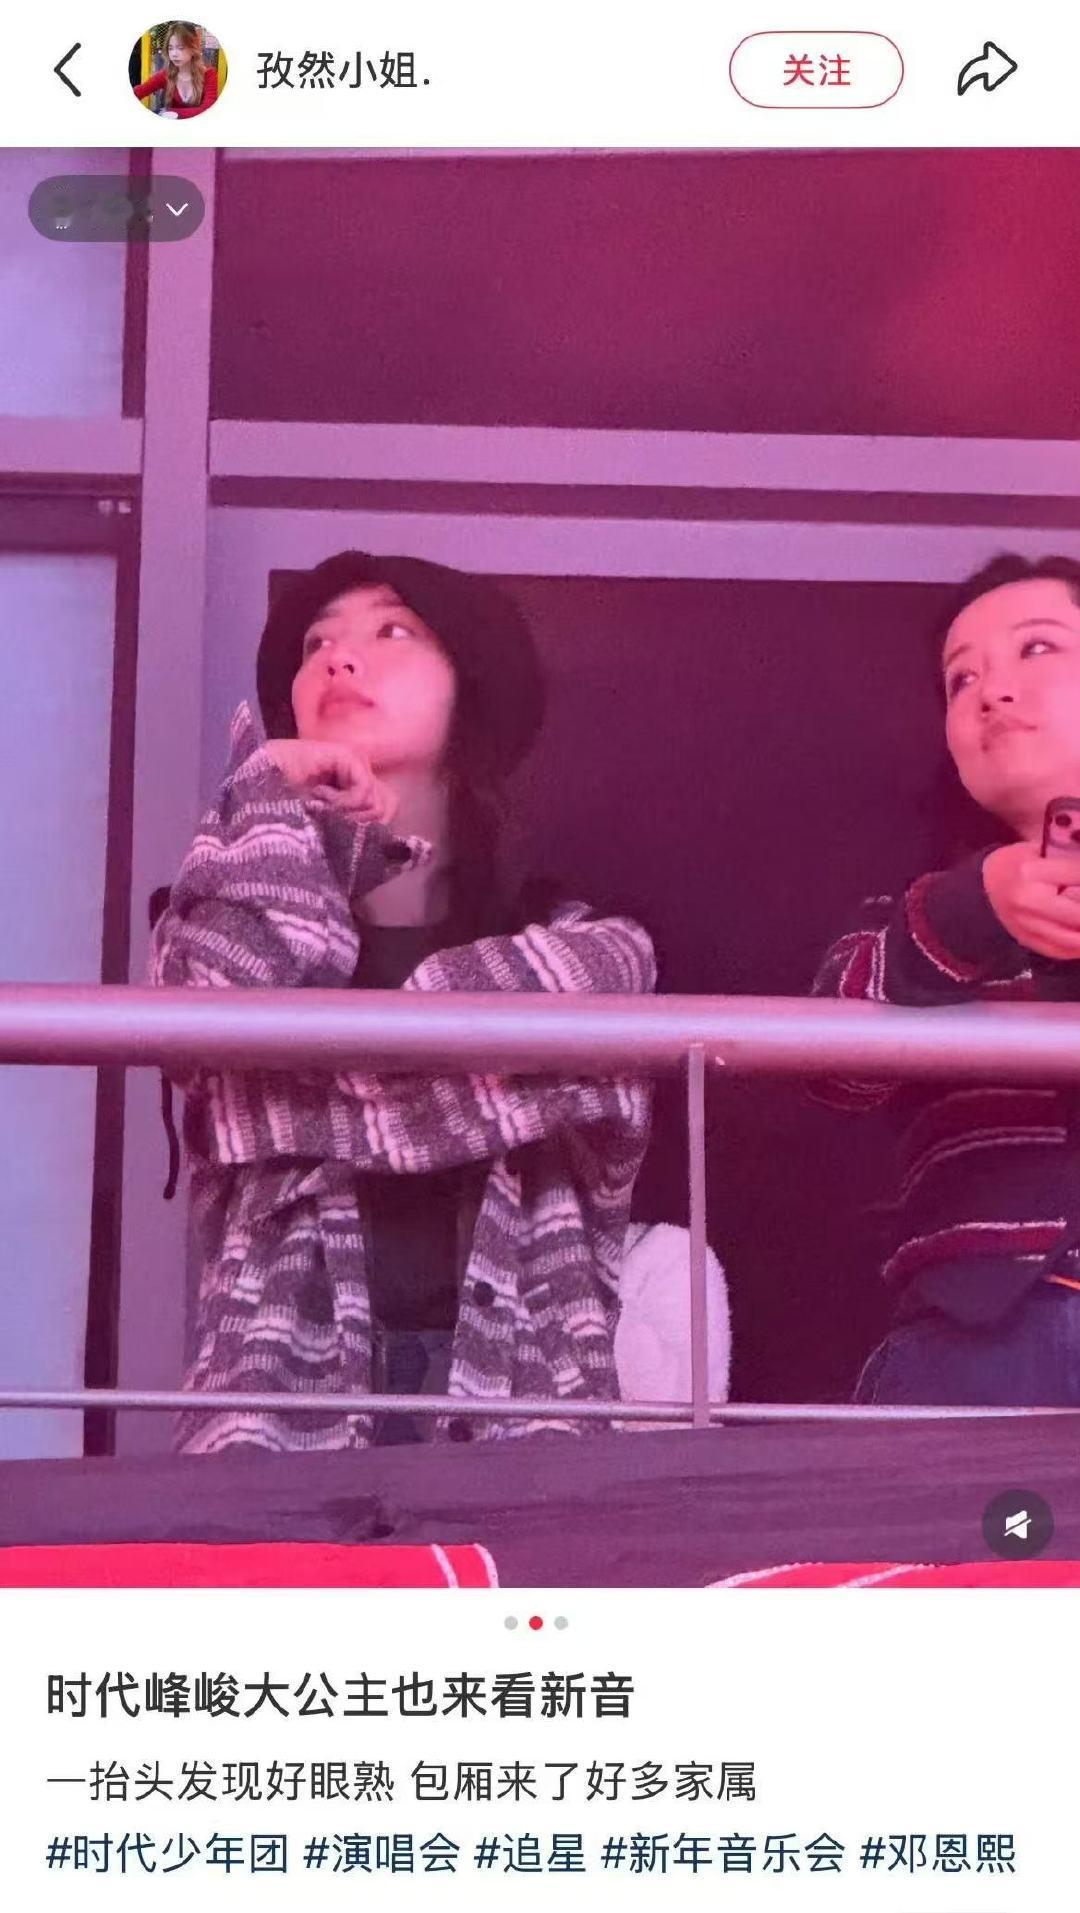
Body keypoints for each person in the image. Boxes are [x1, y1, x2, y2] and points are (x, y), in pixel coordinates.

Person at [150, 551, 656, 1453]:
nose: (339, 659)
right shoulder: (213, 918)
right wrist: (265, 791)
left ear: (470, 686)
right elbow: (218, 998)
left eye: (392, 630)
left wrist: (291, 1076)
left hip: (521, 1412)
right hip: (274, 1415)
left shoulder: (583, 946)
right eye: (315, 644)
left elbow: (231, 1039)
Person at [813, 553, 1080, 1406]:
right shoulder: (913, 910)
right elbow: (832, 1064)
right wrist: (978, 910)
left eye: (1037, 648)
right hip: (978, 1335)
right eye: (962, 678)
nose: (992, 692)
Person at [134, 24, 218, 119]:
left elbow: (208, 109)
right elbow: (140, 91)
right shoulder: (166, 74)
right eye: (170, 48)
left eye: (180, 48)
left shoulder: (208, 74)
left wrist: (170, 112)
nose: (174, 54)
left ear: (193, 49)